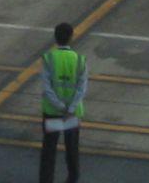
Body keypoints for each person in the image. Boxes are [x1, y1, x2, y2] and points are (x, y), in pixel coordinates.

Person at [39, 22, 87, 183]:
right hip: (72, 115)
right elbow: (81, 88)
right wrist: (70, 108)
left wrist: (59, 106)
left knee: (49, 150)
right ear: (71, 37)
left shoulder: (49, 59)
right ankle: (72, 179)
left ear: (55, 37)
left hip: (52, 112)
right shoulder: (80, 60)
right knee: (72, 150)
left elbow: (47, 88)